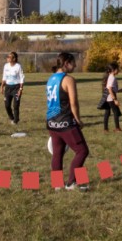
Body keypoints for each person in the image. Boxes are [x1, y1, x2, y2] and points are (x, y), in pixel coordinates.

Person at [46, 52, 89, 191]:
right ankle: (71, 182)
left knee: (57, 153)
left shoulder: (51, 78)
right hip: (65, 123)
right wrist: (78, 119)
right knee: (82, 151)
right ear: (66, 63)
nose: (75, 65)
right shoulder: (68, 79)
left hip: (51, 122)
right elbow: (73, 102)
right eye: (73, 63)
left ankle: (57, 184)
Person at [1, 51, 25, 125]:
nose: (7, 58)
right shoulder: (6, 66)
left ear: (14, 58)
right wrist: (2, 87)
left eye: (9, 57)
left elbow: (22, 78)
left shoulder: (18, 66)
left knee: (16, 105)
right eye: (7, 56)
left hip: (16, 87)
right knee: (7, 105)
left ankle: (16, 120)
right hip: (8, 88)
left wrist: (20, 89)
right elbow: (4, 77)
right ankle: (11, 117)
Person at [103, 62, 122, 133]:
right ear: (113, 70)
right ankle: (117, 128)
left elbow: (111, 88)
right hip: (111, 98)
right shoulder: (112, 78)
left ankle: (105, 129)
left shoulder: (110, 76)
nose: (118, 70)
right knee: (116, 112)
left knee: (107, 113)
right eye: (117, 69)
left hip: (108, 98)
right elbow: (110, 89)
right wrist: (115, 99)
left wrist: (118, 90)